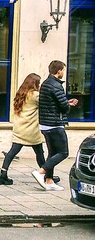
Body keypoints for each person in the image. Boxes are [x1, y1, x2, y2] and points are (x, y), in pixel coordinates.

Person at [31, 60, 78, 191]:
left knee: (52, 153)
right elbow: (64, 107)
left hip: (45, 124)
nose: (64, 72)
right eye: (63, 70)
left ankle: (49, 180)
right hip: (55, 124)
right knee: (63, 152)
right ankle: (41, 172)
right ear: (59, 71)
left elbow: (54, 102)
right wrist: (69, 104)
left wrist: (66, 101)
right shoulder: (56, 85)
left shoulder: (46, 83)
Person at [0, 73, 46, 185]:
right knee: (39, 152)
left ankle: (3, 174)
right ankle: (46, 174)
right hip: (30, 129)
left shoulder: (21, 93)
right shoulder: (35, 95)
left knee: (12, 151)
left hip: (19, 128)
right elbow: (48, 104)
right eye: (39, 82)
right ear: (35, 84)